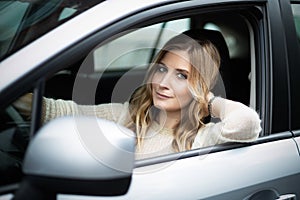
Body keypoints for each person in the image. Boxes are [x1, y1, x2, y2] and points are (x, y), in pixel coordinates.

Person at [14, 31, 261, 160]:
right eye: (162, 69)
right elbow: (58, 111)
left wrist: (208, 100)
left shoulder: (202, 139)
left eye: (182, 76)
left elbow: (247, 123)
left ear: (201, 86)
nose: (163, 83)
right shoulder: (128, 115)